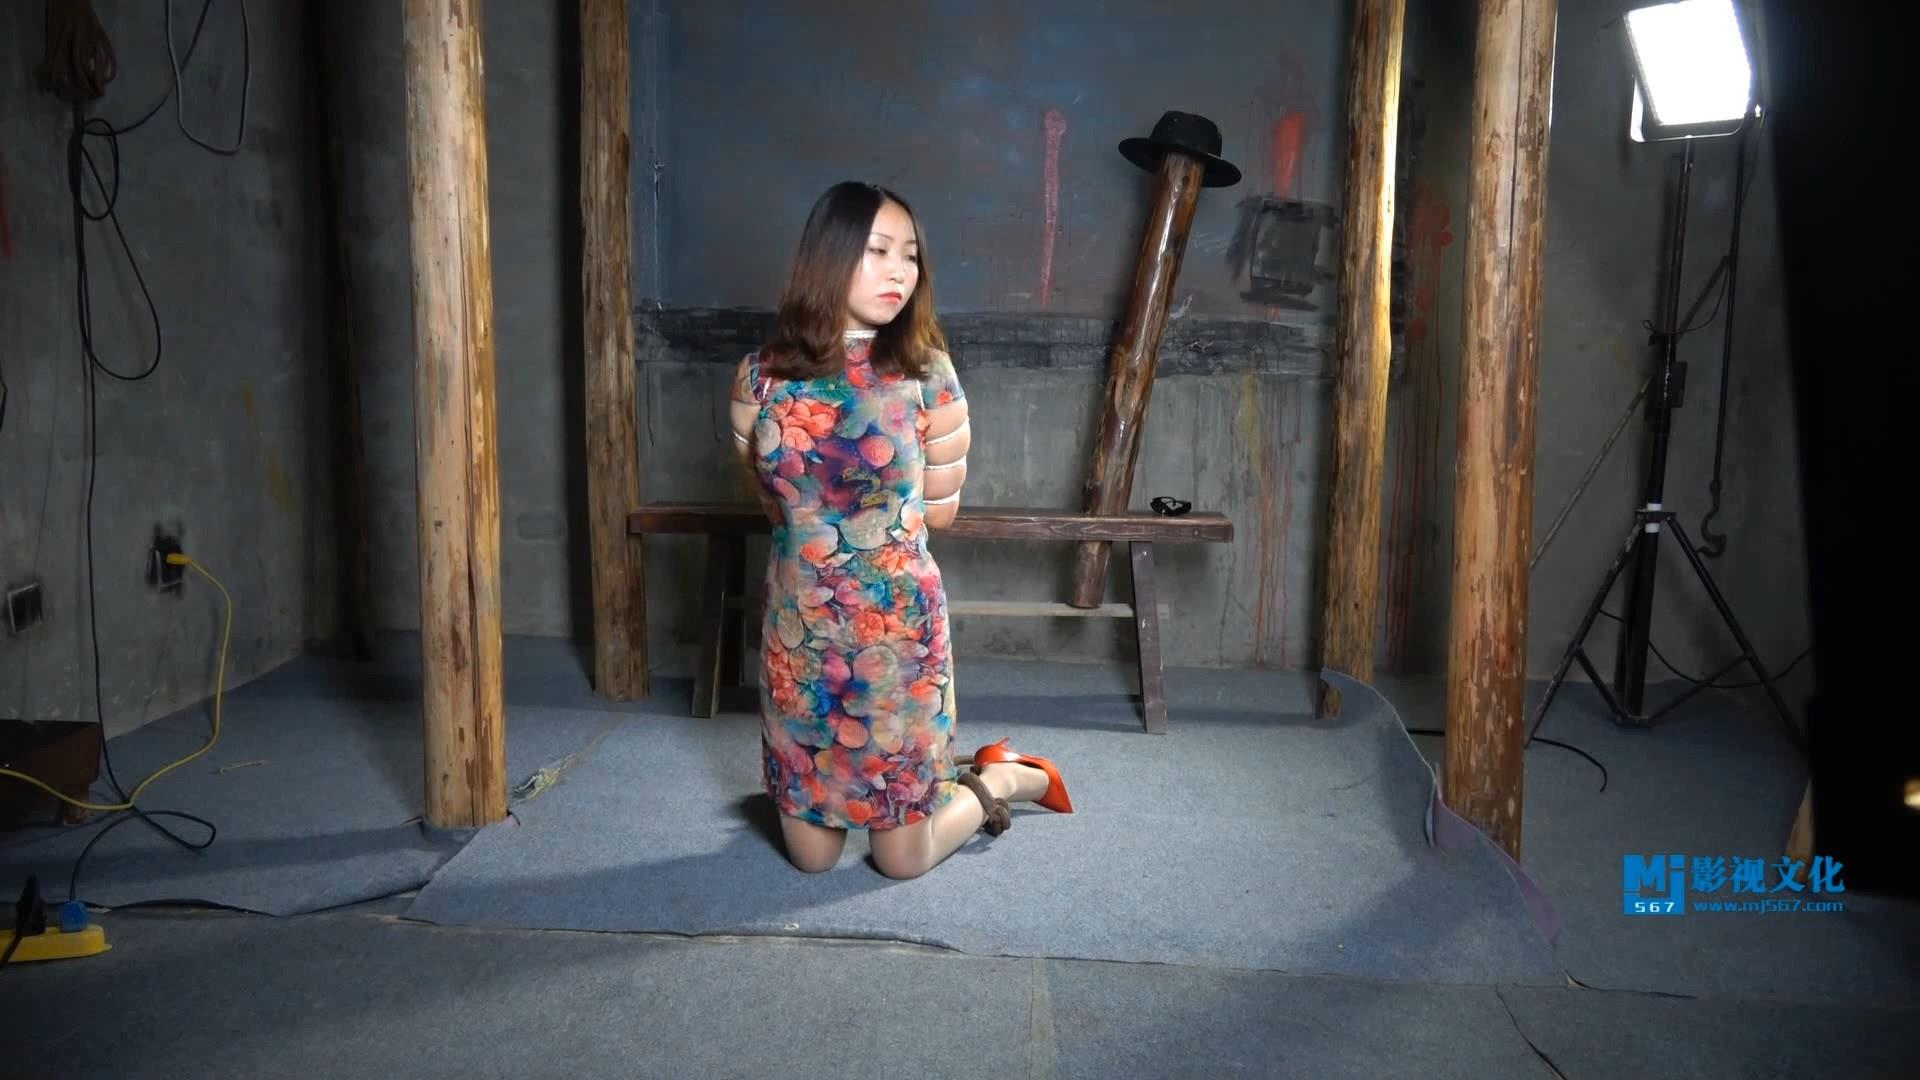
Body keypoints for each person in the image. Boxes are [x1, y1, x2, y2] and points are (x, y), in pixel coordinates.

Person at [727, 181, 1073, 879]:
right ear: (827, 258)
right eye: (878, 251)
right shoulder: (760, 377)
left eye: (910, 256)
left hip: (897, 636)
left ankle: (1004, 776)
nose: (899, 273)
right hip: (799, 637)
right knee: (811, 860)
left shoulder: (928, 375)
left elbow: (939, 513)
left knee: (900, 862)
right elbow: (769, 502)